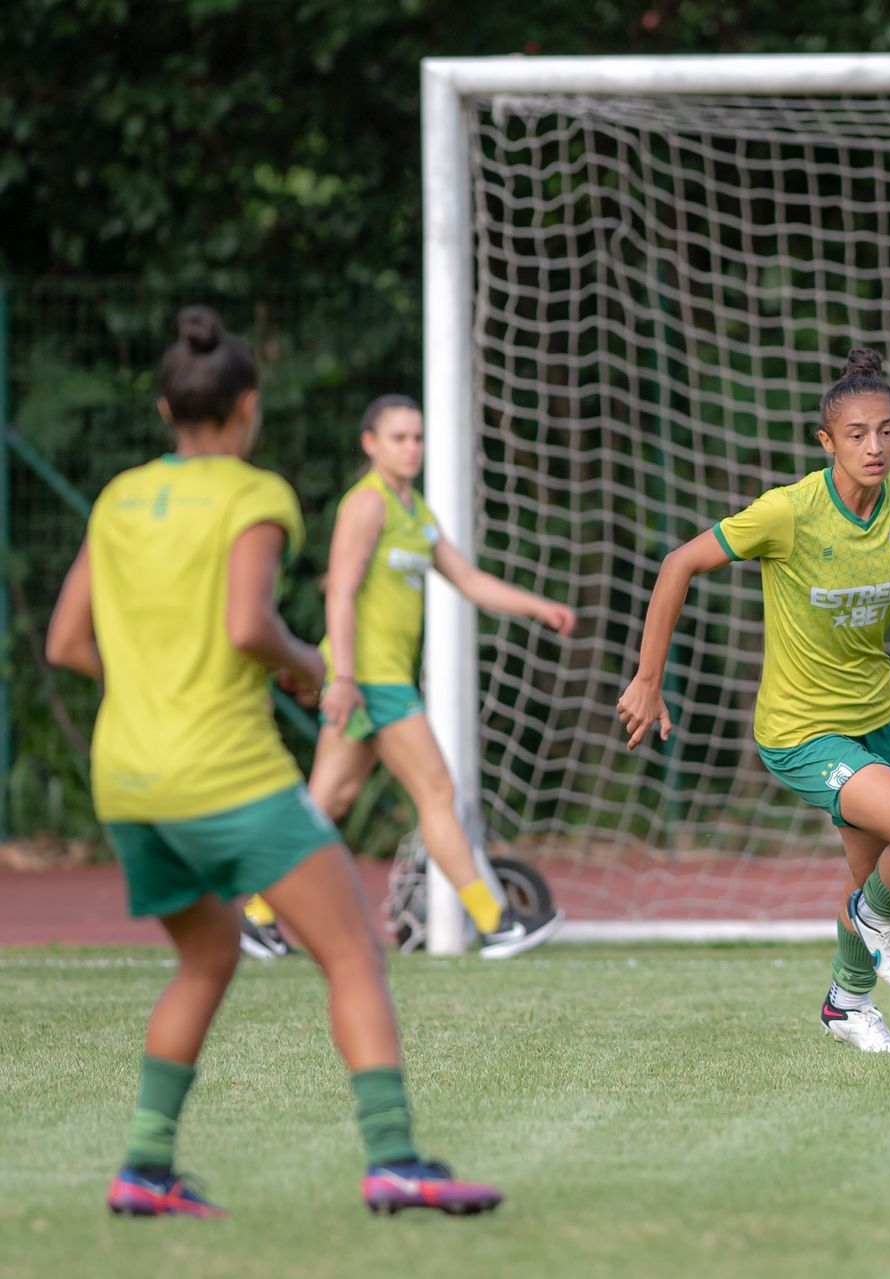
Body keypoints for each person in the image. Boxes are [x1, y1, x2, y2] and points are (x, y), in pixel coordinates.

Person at [47, 306, 501, 1216]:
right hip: (224, 770)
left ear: (166, 408)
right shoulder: (256, 495)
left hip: (127, 778)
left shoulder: (120, 496)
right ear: (246, 407)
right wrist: (308, 668)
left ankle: (143, 1170)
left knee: (207, 957)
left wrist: (148, 687)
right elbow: (249, 625)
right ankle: (397, 1159)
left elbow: (66, 641)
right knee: (353, 955)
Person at [618, 348, 890, 1053]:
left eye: (887, 431)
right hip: (801, 734)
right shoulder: (790, 511)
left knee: (872, 882)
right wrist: (649, 677)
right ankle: (874, 923)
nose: (875, 447)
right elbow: (680, 563)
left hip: (878, 721)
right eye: (857, 434)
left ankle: (847, 1002)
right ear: (826, 441)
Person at [239, 394, 573, 961]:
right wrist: (343, 677)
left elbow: (467, 580)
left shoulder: (414, 510)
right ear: (370, 444)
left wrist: (538, 606)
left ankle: (256, 914)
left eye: (417, 438)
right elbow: (340, 591)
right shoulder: (366, 505)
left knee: (328, 801)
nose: (412, 448)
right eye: (399, 438)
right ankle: (496, 924)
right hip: (371, 681)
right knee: (437, 792)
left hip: (376, 680)